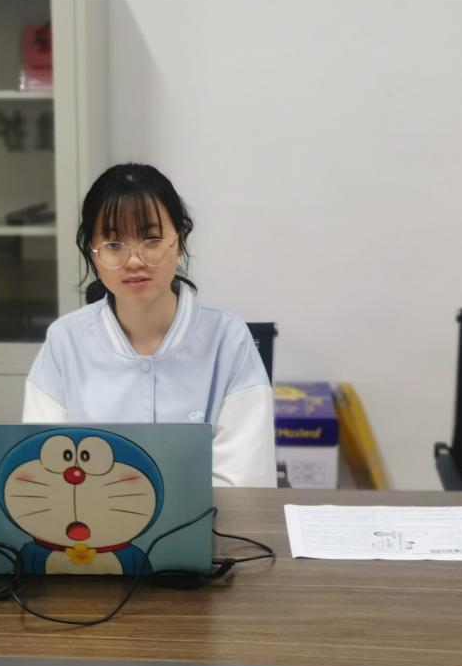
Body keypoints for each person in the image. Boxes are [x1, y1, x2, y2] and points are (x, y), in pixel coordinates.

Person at [22, 163, 276, 487]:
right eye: (114, 245)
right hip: (88, 521)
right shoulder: (65, 341)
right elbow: (44, 473)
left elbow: (245, 483)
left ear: (179, 241)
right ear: (93, 253)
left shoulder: (229, 340)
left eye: (151, 239)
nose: (134, 260)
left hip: (211, 520)